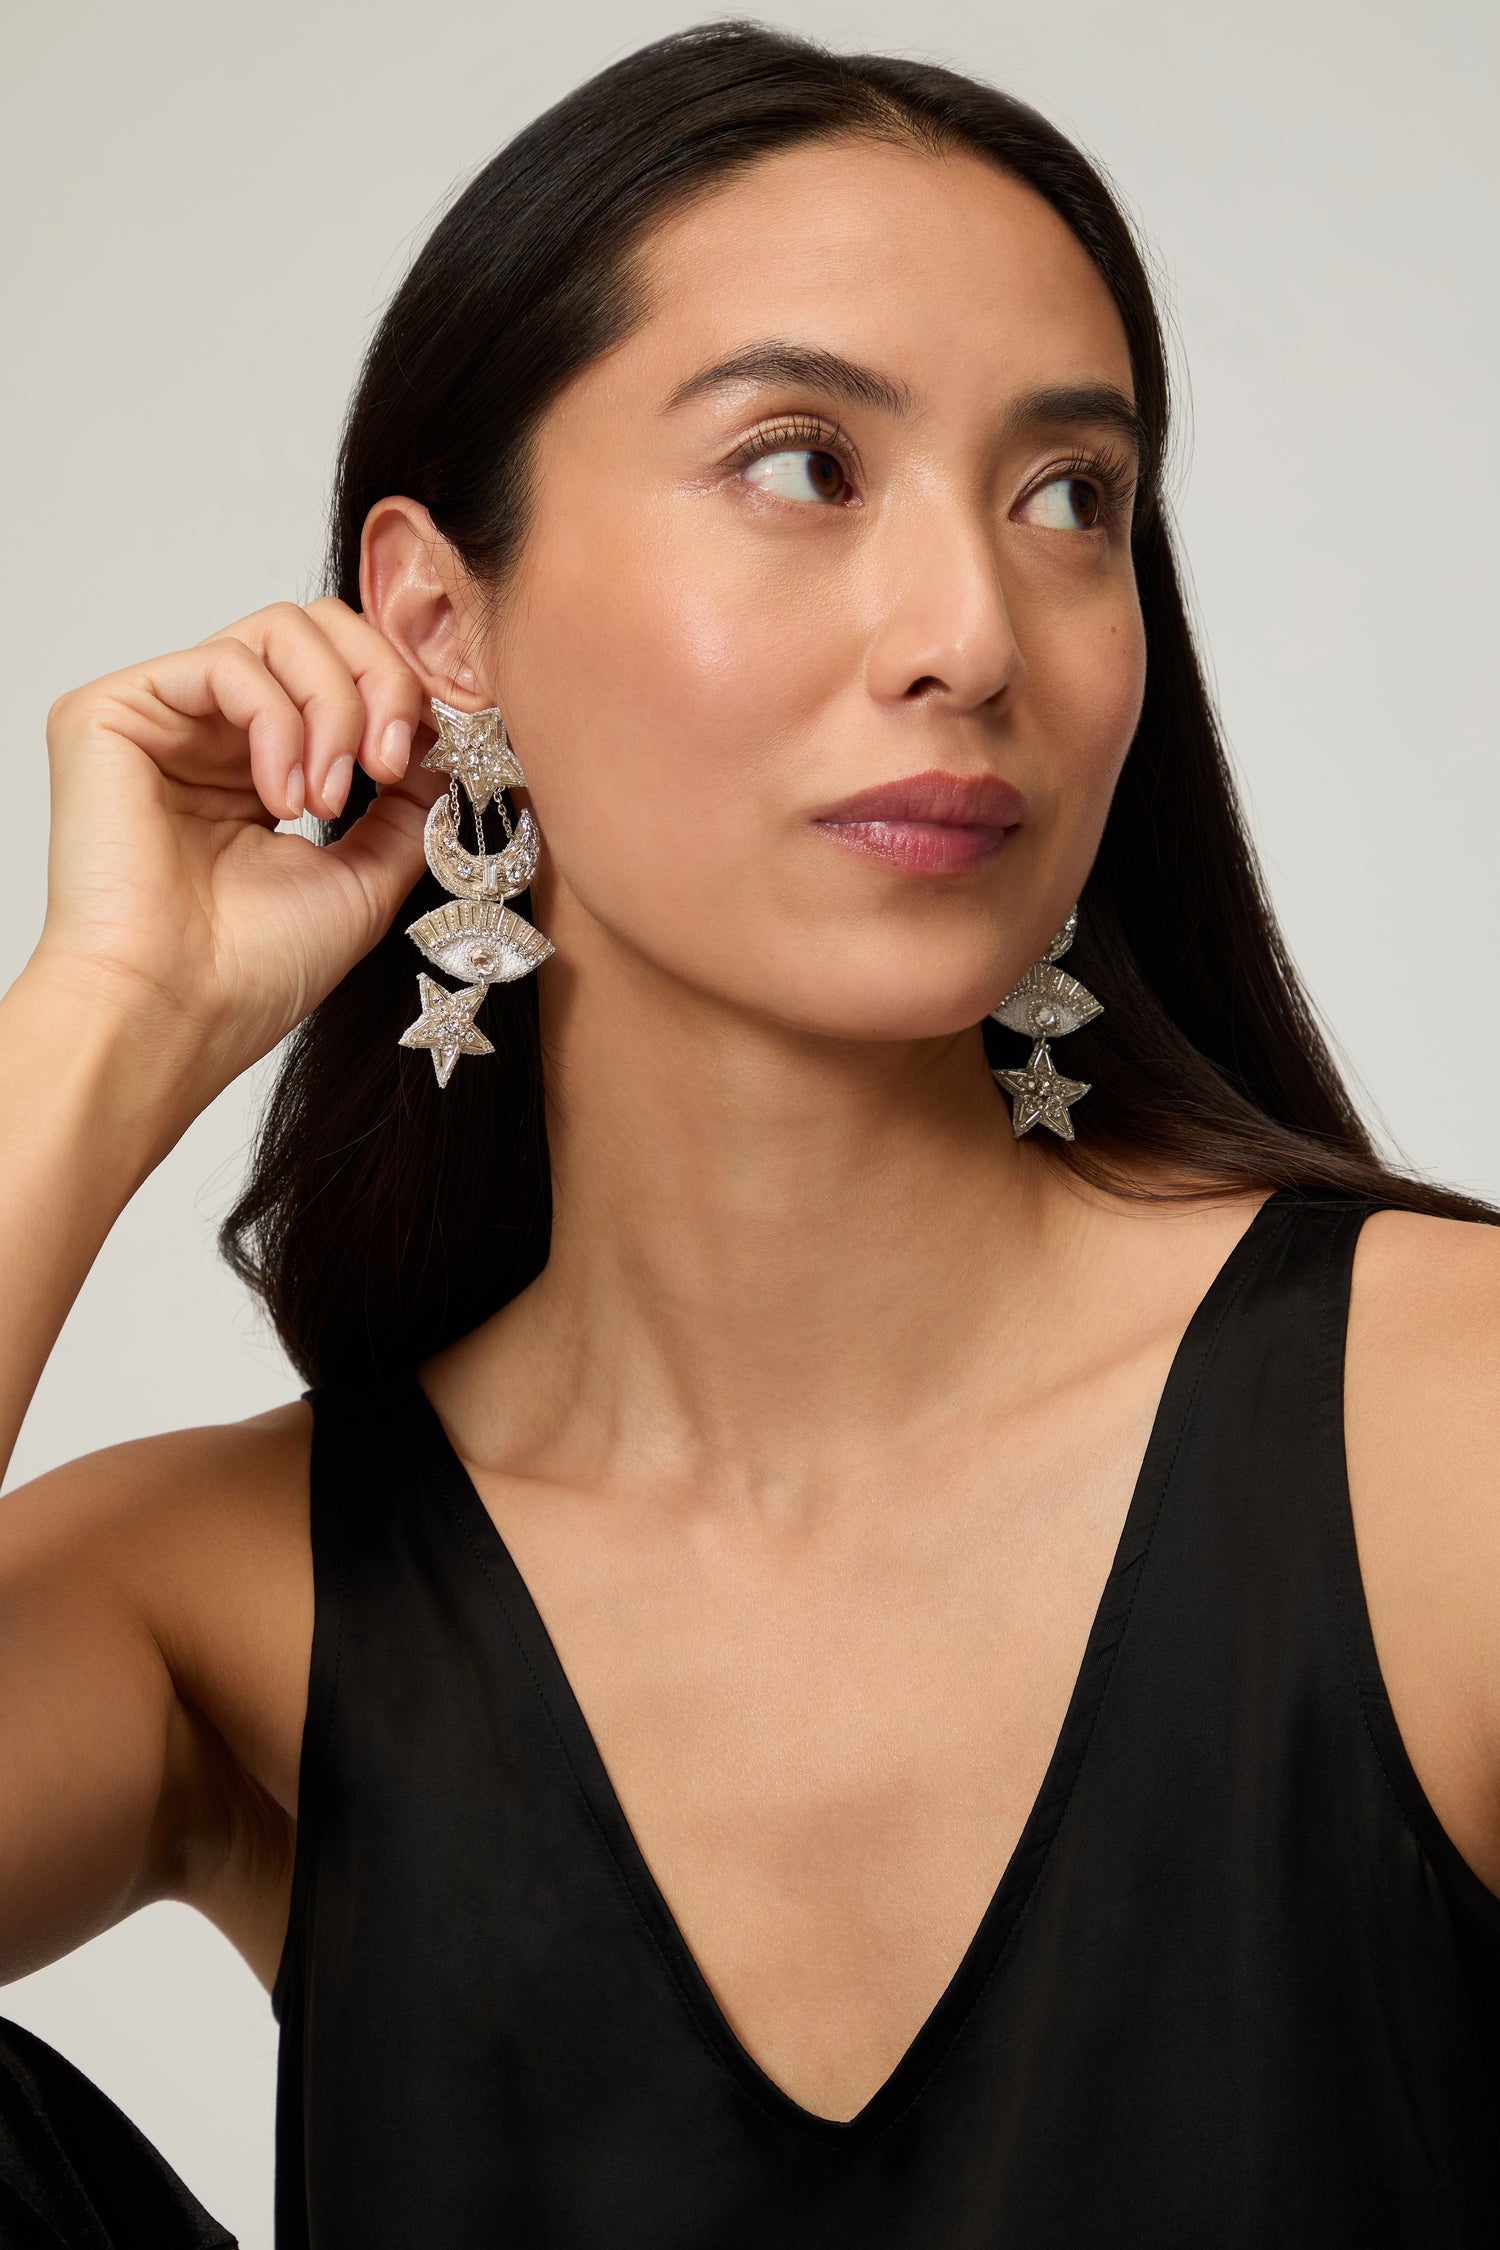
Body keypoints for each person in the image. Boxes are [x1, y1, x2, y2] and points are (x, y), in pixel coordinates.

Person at [2, 18, 1498, 2246]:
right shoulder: (222, 1604)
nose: (972, 632)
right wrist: (108, 1022)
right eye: (803, 464)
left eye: (1071, 500)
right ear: (436, 618)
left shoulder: (1447, 1440)